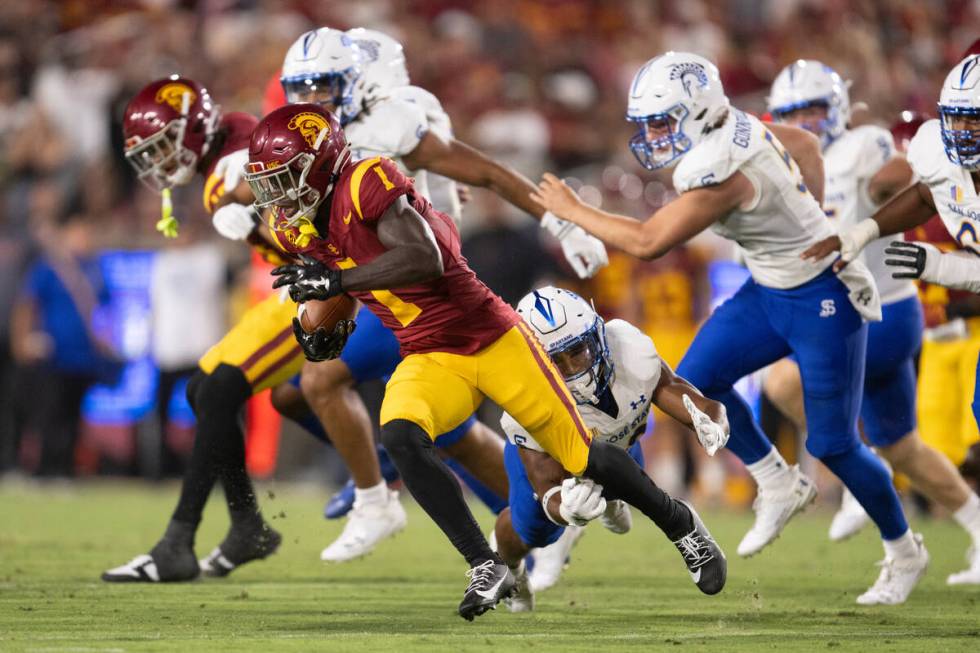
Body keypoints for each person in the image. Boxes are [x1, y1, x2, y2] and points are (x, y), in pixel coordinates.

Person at [250, 102, 725, 620]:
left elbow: (424, 256)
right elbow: (335, 290)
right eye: (270, 182)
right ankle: (484, 563)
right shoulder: (295, 228)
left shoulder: (366, 179)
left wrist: (337, 282)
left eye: (287, 176)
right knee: (402, 436)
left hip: (491, 335)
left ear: (321, 162)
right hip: (426, 351)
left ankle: (682, 525)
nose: (279, 193)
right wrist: (318, 325)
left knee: (583, 455)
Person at [531, 51, 928, 605]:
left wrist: (573, 208)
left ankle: (905, 550)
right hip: (768, 287)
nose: (653, 135)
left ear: (696, 113)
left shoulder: (722, 167)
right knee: (694, 385)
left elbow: (648, 243)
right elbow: (807, 147)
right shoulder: (736, 123)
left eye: (663, 121)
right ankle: (776, 478)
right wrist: (803, 212)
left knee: (834, 443)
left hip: (820, 295)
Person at [268, 27, 607, 562]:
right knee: (452, 435)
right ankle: (539, 515)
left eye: (324, 84)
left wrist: (563, 224)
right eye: (301, 86)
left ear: (357, 83)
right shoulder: (306, 141)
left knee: (318, 380)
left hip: (414, 285)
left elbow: (486, 173)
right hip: (368, 283)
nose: (312, 99)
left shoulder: (390, 124)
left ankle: (375, 495)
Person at [102, 77, 292, 582]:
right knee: (208, 389)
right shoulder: (232, 132)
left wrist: (246, 211)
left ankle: (179, 542)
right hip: (305, 283)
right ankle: (243, 525)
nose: (156, 164)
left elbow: (274, 205)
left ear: (192, 131)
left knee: (216, 387)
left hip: (324, 289)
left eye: (162, 147)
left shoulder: (226, 170)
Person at [803, 54, 980, 585]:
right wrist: (865, 231)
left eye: (976, 119)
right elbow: (927, 193)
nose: (963, 130)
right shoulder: (936, 150)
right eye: (958, 116)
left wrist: (943, 266)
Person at [493, 286, 729, 611]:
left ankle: (657, 515)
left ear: (598, 333)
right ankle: (512, 571)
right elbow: (545, 484)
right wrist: (565, 510)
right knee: (530, 534)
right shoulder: (523, 395)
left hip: (621, 454)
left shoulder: (628, 348)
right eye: (556, 362)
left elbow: (678, 391)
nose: (574, 368)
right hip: (555, 464)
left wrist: (711, 417)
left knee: (607, 460)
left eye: (577, 350)